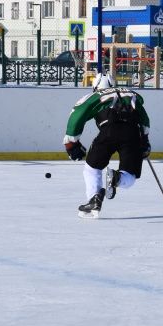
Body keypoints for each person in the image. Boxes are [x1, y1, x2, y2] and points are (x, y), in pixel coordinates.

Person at [63, 72, 151, 218]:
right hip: (133, 133)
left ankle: (94, 199)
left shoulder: (96, 95)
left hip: (109, 131)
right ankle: (117, 178)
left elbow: (78, 113)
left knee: (92, 168)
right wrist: (145, 139)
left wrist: (71, 141)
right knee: (130, 175)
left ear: (95, 86)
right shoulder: (130, 93)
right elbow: (144, 118)